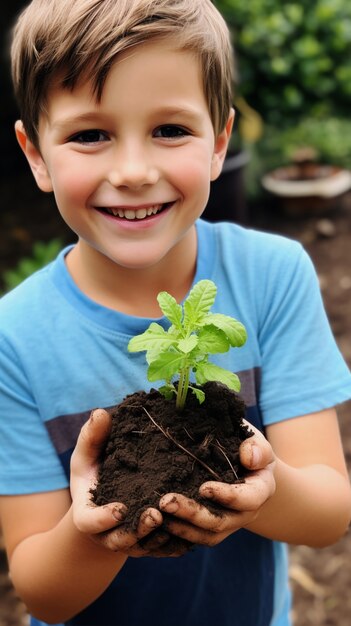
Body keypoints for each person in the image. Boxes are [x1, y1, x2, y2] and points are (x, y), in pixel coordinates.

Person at [0, 1, 350, 625]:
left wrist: (264, 489)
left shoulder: (271, 276)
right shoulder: (14, 338)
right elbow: (41, 591)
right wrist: (91, 527)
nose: (134, 172)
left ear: (220, 142)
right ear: (35, 155)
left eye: (170, 130)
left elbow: (327, 513)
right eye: (89, 135)